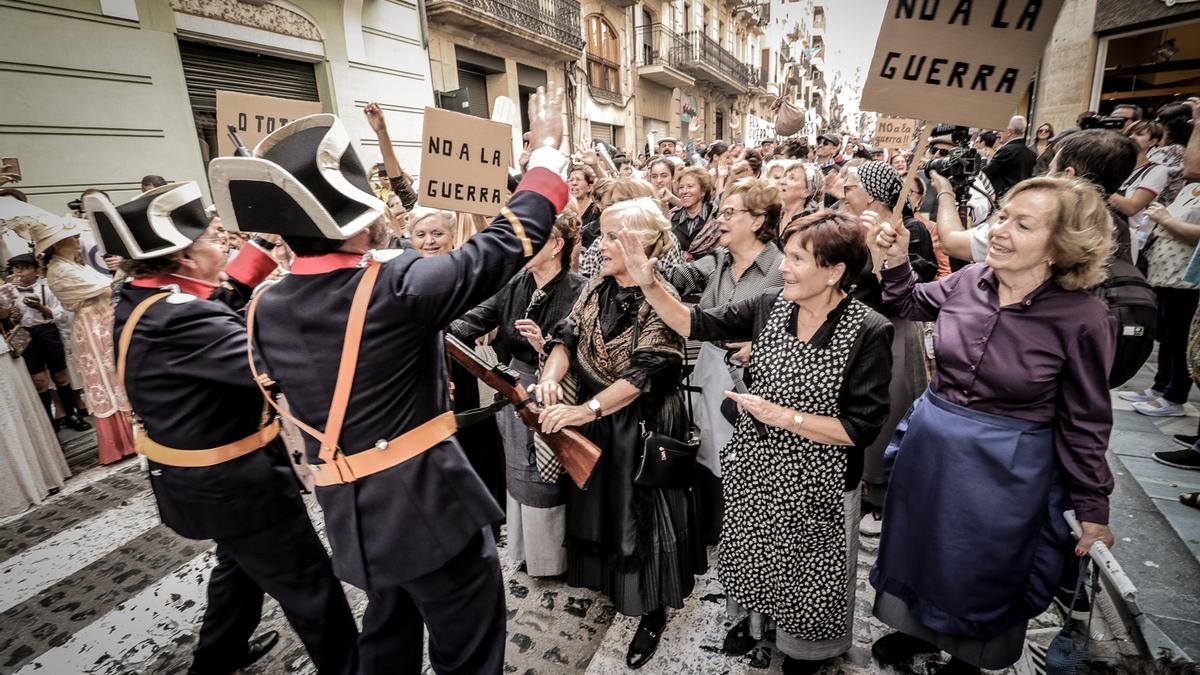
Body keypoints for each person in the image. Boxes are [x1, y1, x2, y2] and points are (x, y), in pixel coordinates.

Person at [222, 91, 569, 673]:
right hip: (430, 508)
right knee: (469, 652)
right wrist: (549, 151)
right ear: (358, 221)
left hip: (352, 510)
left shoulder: (264, 308)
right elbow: (508, 241)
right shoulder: (394, 285)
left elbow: (223, 297)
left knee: (388, 638)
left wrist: (265, 236)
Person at [86, 183, 359, 674]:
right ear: (185, 259)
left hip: (207, 482)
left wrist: (263, 243)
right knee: (310, 585)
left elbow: (222, 296)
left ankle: (217, 656)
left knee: (240, 567)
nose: (226, 244)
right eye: (216, 238)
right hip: (237, 486)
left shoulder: (151, 295)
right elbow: (273, 365)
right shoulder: (182, 319)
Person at [623, 210, 892, 674]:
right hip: (757, 466)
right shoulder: (771, 305)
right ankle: (756, 628)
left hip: (818, 481)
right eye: (785, 256)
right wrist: (650, 284)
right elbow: (696, 323)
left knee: (808, 572)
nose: (783, 267)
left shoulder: (869, 330)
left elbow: (860, 428)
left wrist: (782, 417)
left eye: (796, 258)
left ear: (834, 272)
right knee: (756, 554)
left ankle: (806, 650)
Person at [870, 176, 1118, 675]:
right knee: (919, 549)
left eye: (1022, 224)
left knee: (981, 566)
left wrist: (1092, 507)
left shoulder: (1085, 318)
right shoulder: (969, 279)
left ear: (1063, 245)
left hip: (1006, 469)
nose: (999, 230)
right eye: (1002, 216)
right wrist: (895, 259)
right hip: (930, 451)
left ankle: (967, 659)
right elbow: (906, 304)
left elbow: (1086, 420)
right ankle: (914, 633)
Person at [532, 197, 702, 669]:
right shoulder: (596, 286)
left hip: (641, 426)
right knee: (603, 508)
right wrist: (550, 376)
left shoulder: (660, 295)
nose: (596, 244)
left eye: (609, 236)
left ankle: (651, 610)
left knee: (642, 521)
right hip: (599, 421)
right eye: (600, 234)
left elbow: (644, 376)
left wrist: (584, 410)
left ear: (640, 244)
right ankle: (614, 585)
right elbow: (567, 336)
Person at [450, 211, 584, 577]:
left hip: (560, 391)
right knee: (519, 468)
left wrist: (545, 348)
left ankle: (555, 559)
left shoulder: (580, 288)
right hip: (514, 387)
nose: (522, 247)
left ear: (557, 245)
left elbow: (577, 347)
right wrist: (435, 324)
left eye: (534, 238)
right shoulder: (515, 282)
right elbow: (473, 321)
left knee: (549, 472)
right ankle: (528, 553)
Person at [663, 177, 784, 544]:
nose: (720, 219)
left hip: (755, 377)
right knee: (704, 446)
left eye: (730, 213)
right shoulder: (717, 258)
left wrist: (761, 347)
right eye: (720, 212)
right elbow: (678, 277)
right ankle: (712, 528)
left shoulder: (782, 268)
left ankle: (743, 529)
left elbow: (796, 331)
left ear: (759, 220)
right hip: (709, 365)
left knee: (741, 453)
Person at [32, 217, 137, 464]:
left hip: (101, 322)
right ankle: (120, 441)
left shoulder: (74, 264)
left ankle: (130, 435)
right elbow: (110, 290)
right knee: (106, 378)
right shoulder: (59, 268)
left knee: (115, 375)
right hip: (93, 328)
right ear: (58, 243)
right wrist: (122, 269)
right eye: (73, 236)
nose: (78, 240)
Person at [1118, 182, 1200, 418]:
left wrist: (1165, 220)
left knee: (1180, 338)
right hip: (1163, 272)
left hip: (1186, 278)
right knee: (1166, 334)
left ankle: (1175, 396)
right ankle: (1160, 386)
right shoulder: (1189, 188)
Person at [0, 282, 69, 517]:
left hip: (9, 348)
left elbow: (10, 314)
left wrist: (8, 310)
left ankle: (37, 472)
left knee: (19, 408)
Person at [7, 252, 90, 431]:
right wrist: (11, 313)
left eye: (25, 268)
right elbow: (5, 315)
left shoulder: (48, 286)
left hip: (47, 331)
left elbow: (61, 315)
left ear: (36, 270)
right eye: (16, 268)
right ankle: (49, 423)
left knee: (60, 376)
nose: (19, 272)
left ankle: (71, 415)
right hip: (25, 334)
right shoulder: (9, 290)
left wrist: (39, 307)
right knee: (39, 381)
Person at [1109, 120, 1170, 257]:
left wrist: (1101, 187)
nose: (1131, 137)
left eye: (1139, 134)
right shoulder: (1115, 165)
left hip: (1129, 240)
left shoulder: (1156, 170)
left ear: (1153, 142)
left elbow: (1131, 208)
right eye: (1130, 133)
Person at [983, 115, 1038, 199]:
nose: (998, 134)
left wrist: (983, 159)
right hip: (1020, 197)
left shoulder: (1007, 150)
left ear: (1009, 132)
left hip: (1003, 198)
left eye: (1001, 131)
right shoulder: (1031, 153)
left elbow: (987, 172)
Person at [670, 166, 714, 253]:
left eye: (690, 186)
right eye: (681, 187)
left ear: (703, 191)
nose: (684, 191)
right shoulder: (672, 217)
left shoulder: (715, 216)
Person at [779, 163, 822, 228]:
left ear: (806, 193)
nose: (782, 181)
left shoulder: (808, 227)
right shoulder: (772, 215)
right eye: (785, 176)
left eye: (792, 178)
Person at [571, 165, 601, 248]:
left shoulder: (596, 210)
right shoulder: (565, 210)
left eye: (578, 179)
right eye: (571, 180)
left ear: (589, 187)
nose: (574, 183)